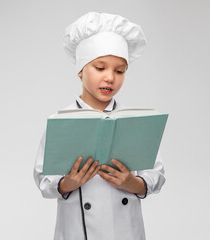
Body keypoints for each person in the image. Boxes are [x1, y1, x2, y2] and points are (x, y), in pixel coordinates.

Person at [34, 12, 166, 240]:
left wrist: (132, 183)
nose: (110, 78)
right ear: (80, 69)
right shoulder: (61, 121)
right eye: (100, 67)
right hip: (76, 232)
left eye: (119, 71)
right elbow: (43, 180)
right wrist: (68, 183)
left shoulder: (135, 121)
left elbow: (157, 175)